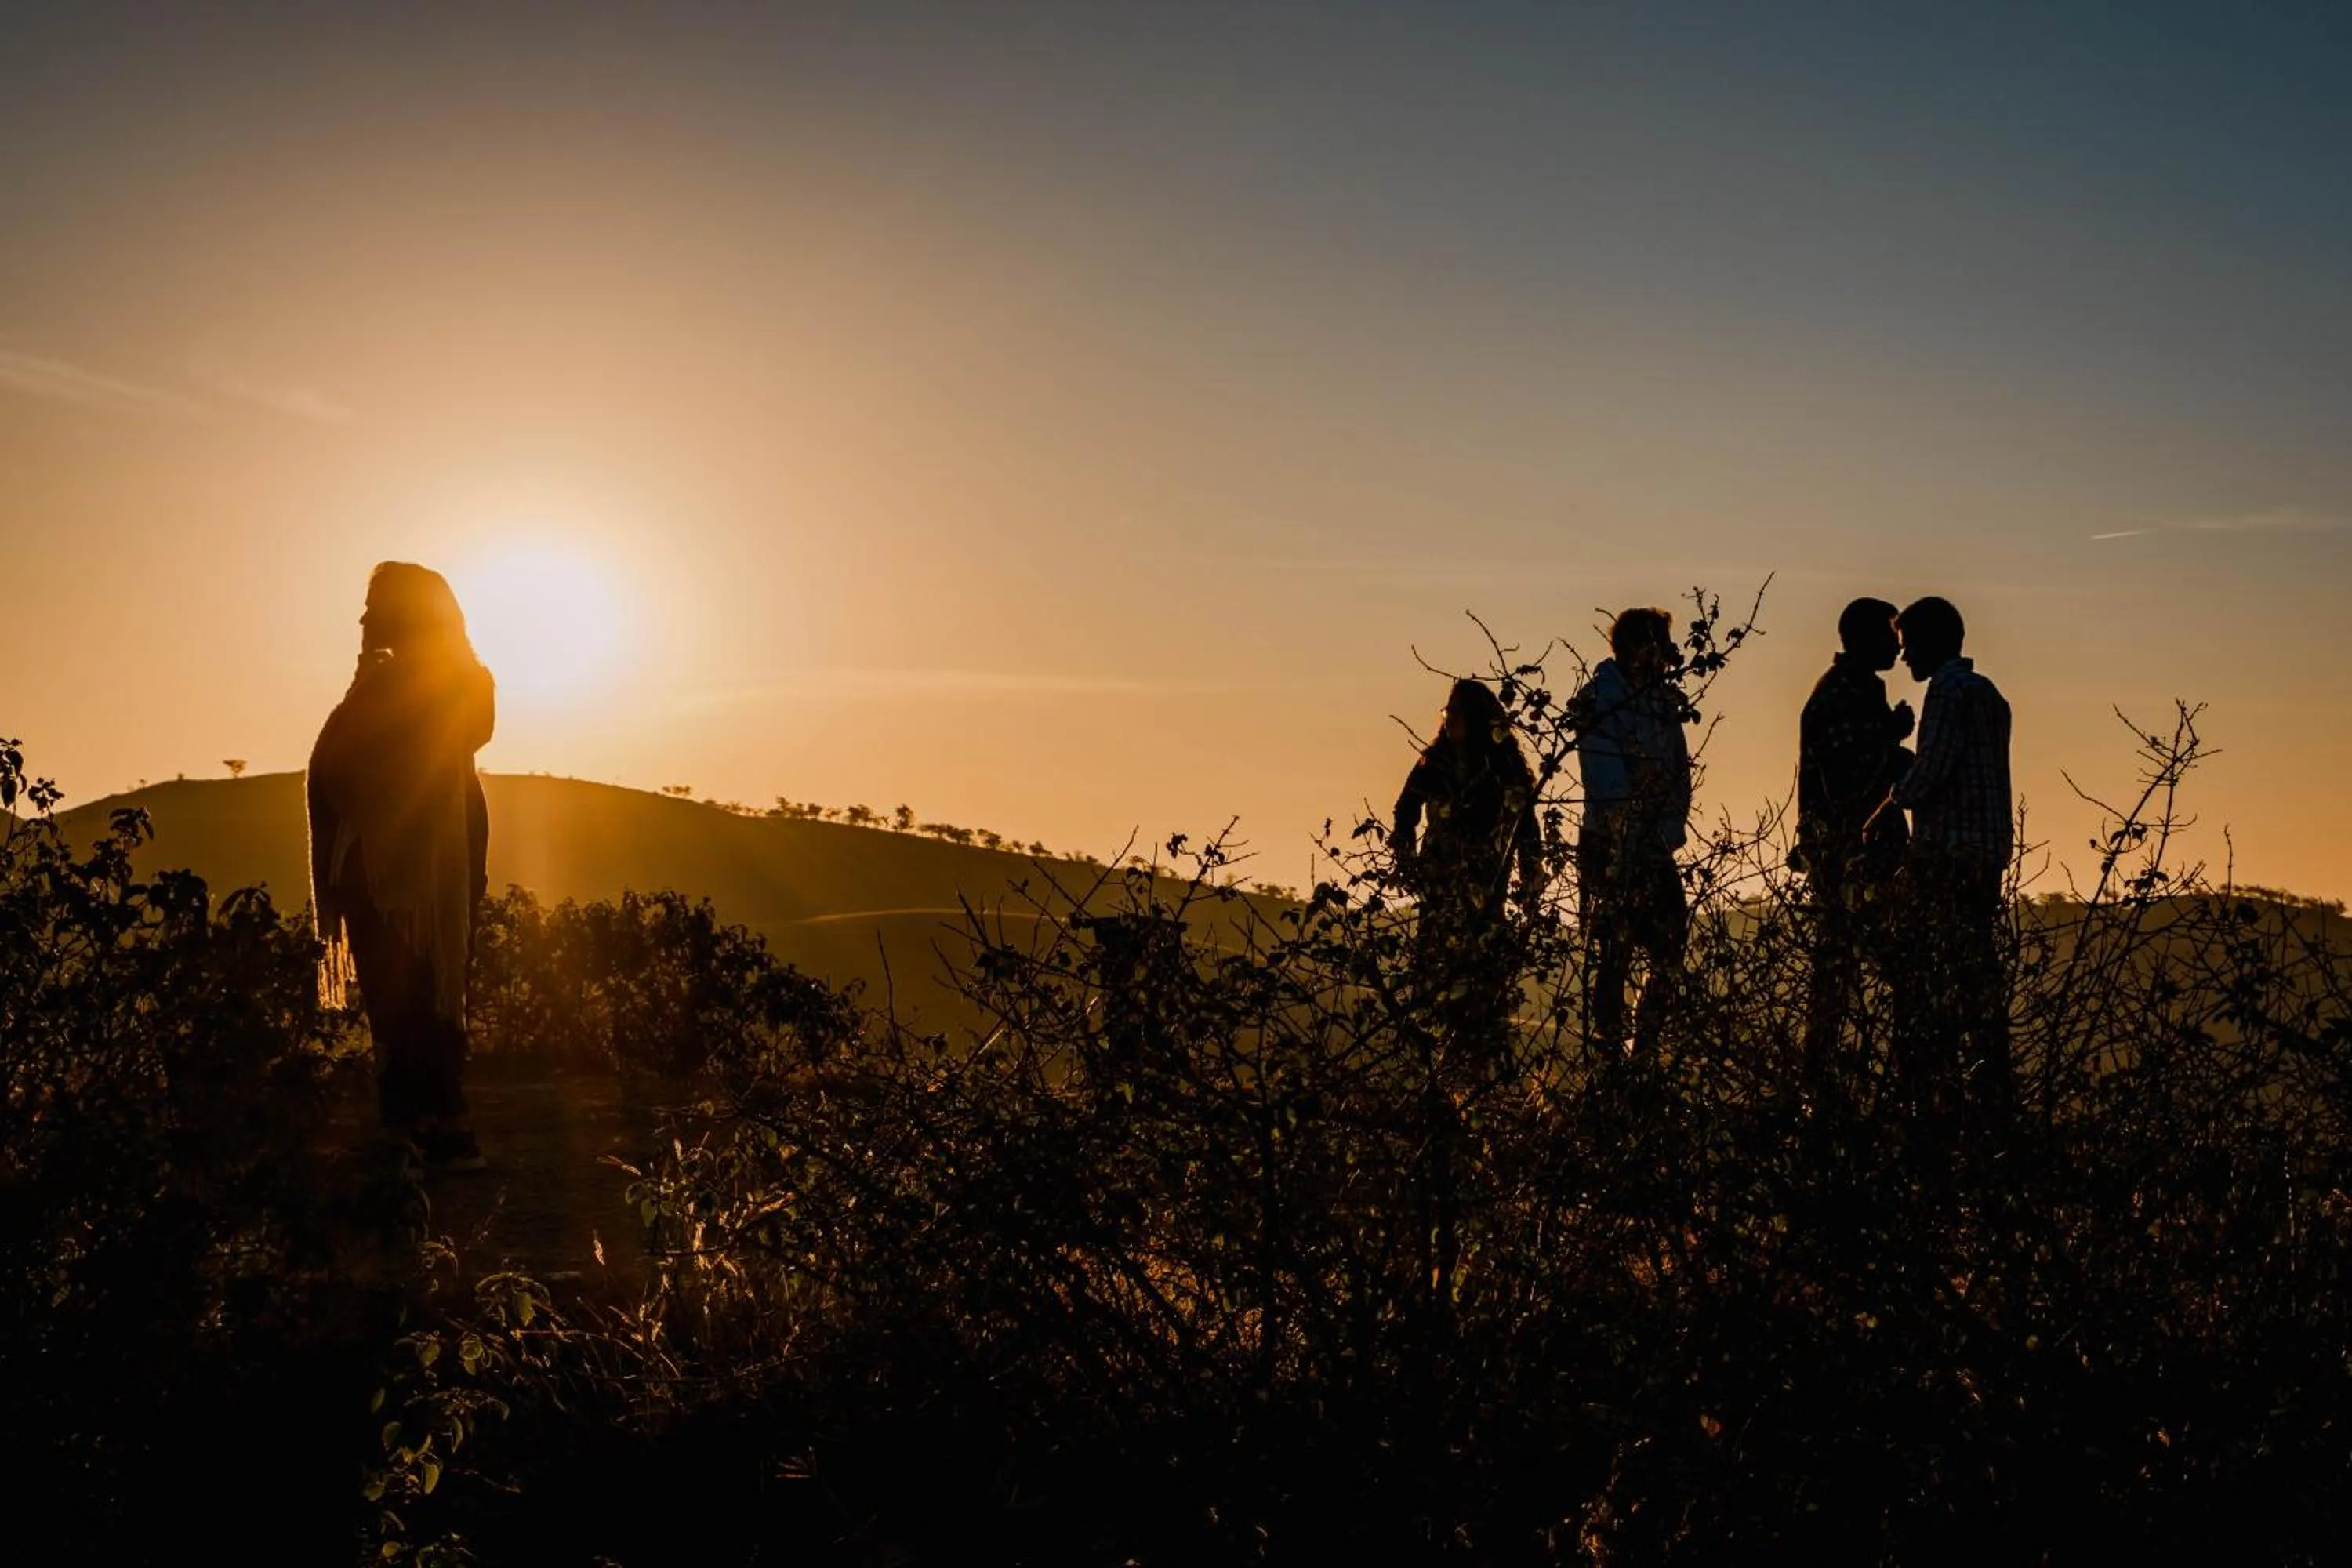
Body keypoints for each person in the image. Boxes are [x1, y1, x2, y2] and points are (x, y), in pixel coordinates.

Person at [308, 562, 495, 1172]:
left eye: (375, 607)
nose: (363, 619)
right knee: (415, 989)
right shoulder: (401, 685)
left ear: (409, 613)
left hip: (413, 868)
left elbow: (350, 764)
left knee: (413, 990)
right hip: (406, 867)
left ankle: (416, 1126)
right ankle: (440, 1121)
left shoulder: (438, 686)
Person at [1871, 594, 2013, 1133]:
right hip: (1987, 854)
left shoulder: (1947, 693)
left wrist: (1891, 797)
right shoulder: (1990, 695)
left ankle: (1935, 1096)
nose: (1904, 658)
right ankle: (1989, 1089)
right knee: (1977, 974)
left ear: (1932, 642)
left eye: (1909, 646)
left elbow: (1933, 770)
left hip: (1946, 854)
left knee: (1929, 978)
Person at [1795, 597, 1915, 1090]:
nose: (1898, 643)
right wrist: (1895, 746)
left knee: (1841, 973)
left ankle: (1821, 1082)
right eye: (1890, 633)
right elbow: (1849, 775)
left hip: (1853, 854)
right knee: (1872, 971)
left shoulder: (1854, 689)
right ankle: (1827, 1083)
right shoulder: (1843, 692)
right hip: (1852, 857)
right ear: (1863, 637)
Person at [1393, 679, 1544, 1044]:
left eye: (1457, 711)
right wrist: (1407, 860)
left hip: (1486, 883)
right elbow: (1405, 810)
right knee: (1433, 967)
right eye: (1447, 711)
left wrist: (1530, 875)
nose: (1449, 719)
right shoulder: (1436, 760)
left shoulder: (1502, 766)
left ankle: (1478, 1053)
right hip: (1439, 881)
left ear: (1476, 719)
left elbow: (1526, 823)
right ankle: (1432, 1057)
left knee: (1481, 970)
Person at [1572, 608, 1692, 1056]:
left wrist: (1670, 826)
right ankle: (1611, 1054)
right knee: (1615, 951)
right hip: (1611, 844)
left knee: (1670, 945)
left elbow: (1680, 770)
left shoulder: (1663, 702)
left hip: (1657, 845)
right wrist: (1640, 830)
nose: (1666, 657)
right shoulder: (1600, 701)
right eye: (1659, 646)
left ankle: (1645, 1045)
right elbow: (1606, 783)